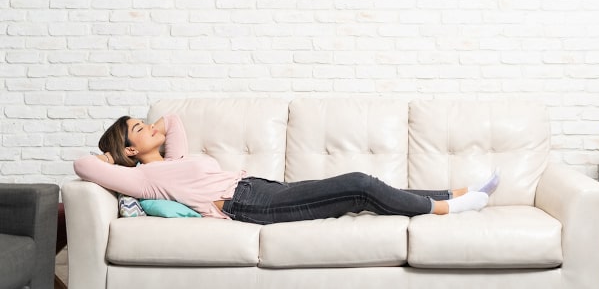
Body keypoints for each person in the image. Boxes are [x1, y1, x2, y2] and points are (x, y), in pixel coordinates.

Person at [73, 114, 501, 225]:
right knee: (357, 184)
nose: (150, 126)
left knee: (359, 191)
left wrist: (148, 134)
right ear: (129, 148)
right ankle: (445, 211)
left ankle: (454, 195)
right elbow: (81, 164)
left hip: (256, 187)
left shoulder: (172, 161)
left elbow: (173, 121)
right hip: (246, 205)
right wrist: (112, 159)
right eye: (138, 128)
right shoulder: (141, 177)